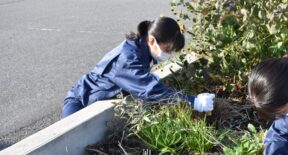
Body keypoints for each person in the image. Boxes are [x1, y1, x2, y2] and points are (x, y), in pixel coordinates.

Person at [61, 17, 214, 118]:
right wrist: (193, 101)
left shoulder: (141, 48)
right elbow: (149, 89)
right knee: (65, 147)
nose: (168, 55)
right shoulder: (127, 59)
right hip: (81, 101)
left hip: (99, 97)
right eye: (167, 50)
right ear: (152, 40)